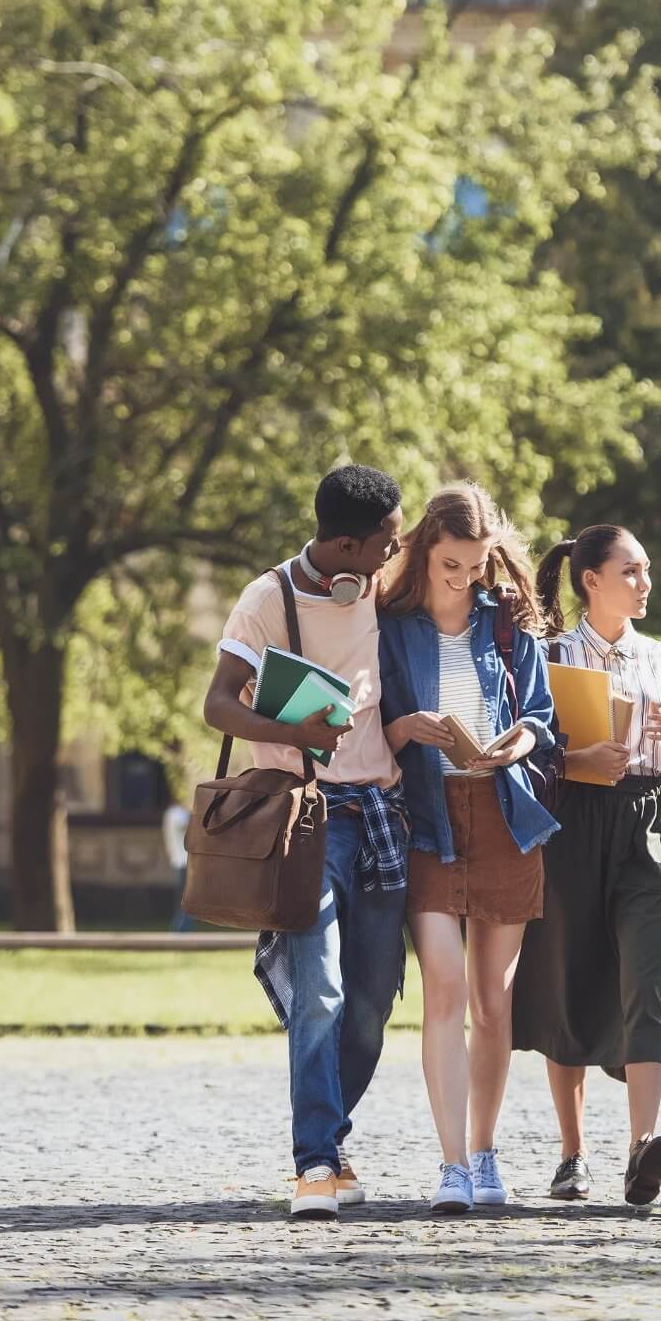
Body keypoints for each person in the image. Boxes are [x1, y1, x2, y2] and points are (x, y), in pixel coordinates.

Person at [202, 464, 405, 1221]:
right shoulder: (268, 598)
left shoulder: (387, 587)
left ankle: (331, 1135)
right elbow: (219, 704)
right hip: (305, 818)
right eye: (385, 542)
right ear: (346, 543)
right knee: (317, 988)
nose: (393, 553)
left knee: (373, 1002)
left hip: (380, 814)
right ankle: (314, 1162)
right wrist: (293, 732)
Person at [378, 484, 559, 1215]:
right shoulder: (389, 625)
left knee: (493, 999)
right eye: (451, 565)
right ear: (425, 549)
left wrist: (520, 740)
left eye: (477, 565)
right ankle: (451, 1165)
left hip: (505, 814)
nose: (465, 579)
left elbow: (541, 718)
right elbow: (366, 726)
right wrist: (404, 730)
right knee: (445, 989)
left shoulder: (508, 623)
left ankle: (485, 1153)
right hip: (426, 821)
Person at [512, 524, 661, 1208]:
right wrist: (580, 761)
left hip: (650, 819)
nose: (645, 583)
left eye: (647, 571)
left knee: (645, 986)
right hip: (572, 823)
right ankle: (572, 1154)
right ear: (591, 579)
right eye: (632, 571)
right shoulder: (549, 656)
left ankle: (642, 1150)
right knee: (570, 976)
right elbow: (530, 751)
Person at [161, 800, 196, 932]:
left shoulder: (169, 814)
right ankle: (180, 929)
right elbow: (190, 824)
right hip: (185, 862)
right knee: (187, 899)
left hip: (180, 861)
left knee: (185, 898)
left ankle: (181, 928)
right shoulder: (177, 814)